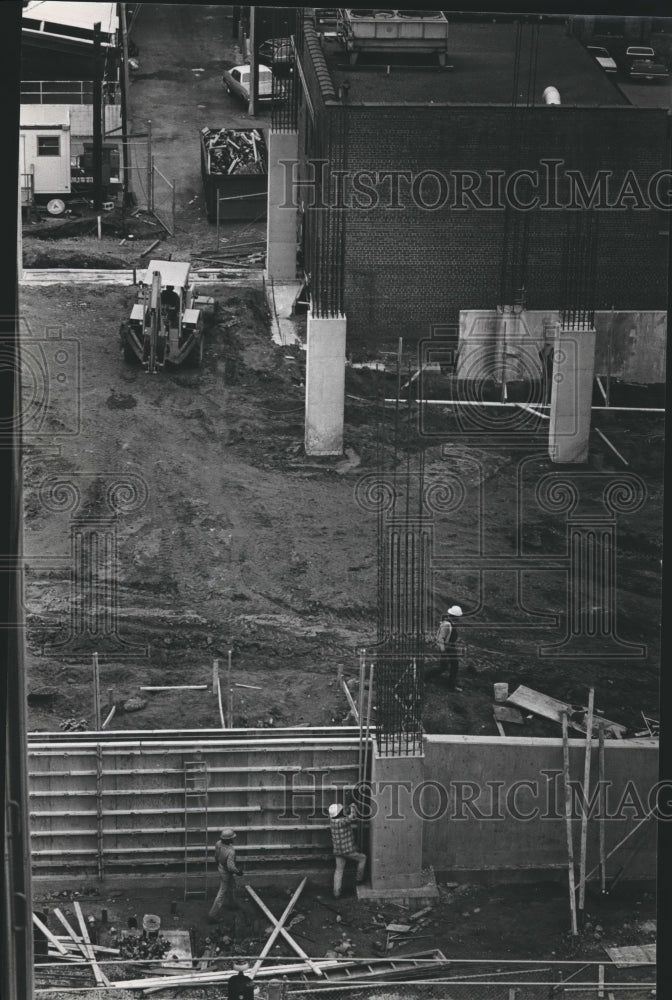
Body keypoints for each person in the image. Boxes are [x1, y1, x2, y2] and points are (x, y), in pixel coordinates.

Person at [328, 802, 366, 899]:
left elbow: (344, 816)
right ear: (339, 813)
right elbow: (352, 817)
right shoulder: (342, 822)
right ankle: (359, 879)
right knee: (363, 858)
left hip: (338, 851)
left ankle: (336, 893)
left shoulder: (332, 821)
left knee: (339, 870)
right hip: (347, 851)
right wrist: (353, 806)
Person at [208, 828, 243, 920]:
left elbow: (216, 856)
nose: (233, 839)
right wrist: (238, 871)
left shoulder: (218, 843)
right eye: (232, 838)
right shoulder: (231, 851)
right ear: (228, 839)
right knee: (222, 892)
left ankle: (232, 904)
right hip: (227, 872)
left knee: (232, 886)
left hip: (221, 867)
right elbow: (231, 867)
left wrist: (218, 863)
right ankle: (212, 915)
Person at [427, 606, 463, 691]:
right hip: (446, 648)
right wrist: (443, 651)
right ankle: (425, 677)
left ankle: (451, 685)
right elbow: (440, 638)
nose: (459, 618)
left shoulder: (451, 623)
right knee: (443, 667)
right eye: (458, 617)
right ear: (455, 616)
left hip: (451, 647)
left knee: (455, 666)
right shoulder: (446, 624)